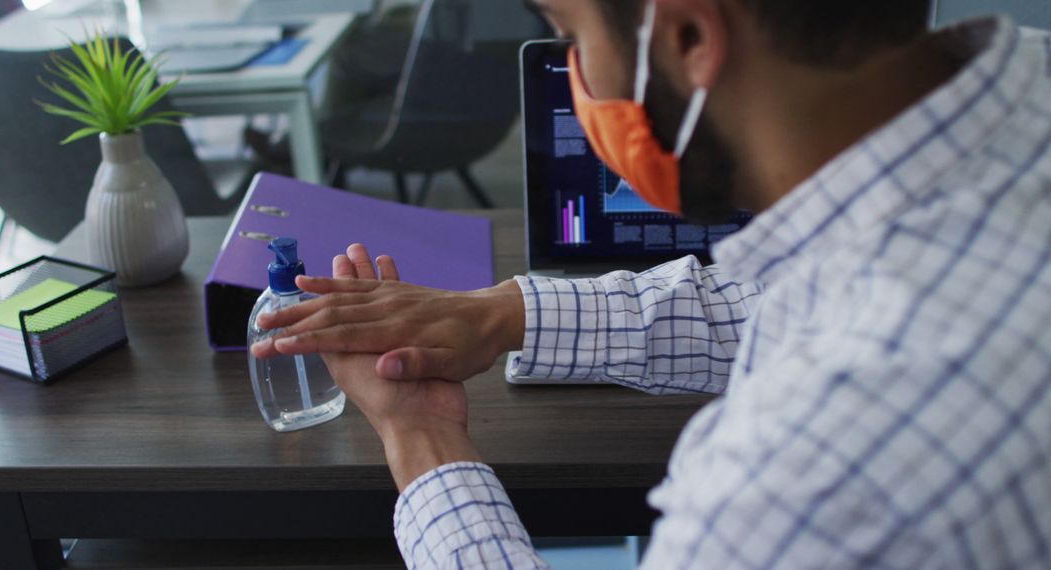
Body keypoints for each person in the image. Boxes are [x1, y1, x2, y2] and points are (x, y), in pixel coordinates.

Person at [252, 0, 1051, 567]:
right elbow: (794, 298)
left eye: (571, 34)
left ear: (691, 33)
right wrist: (504, 312)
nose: (576, 77)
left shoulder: (814, 466)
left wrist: (420, 439)